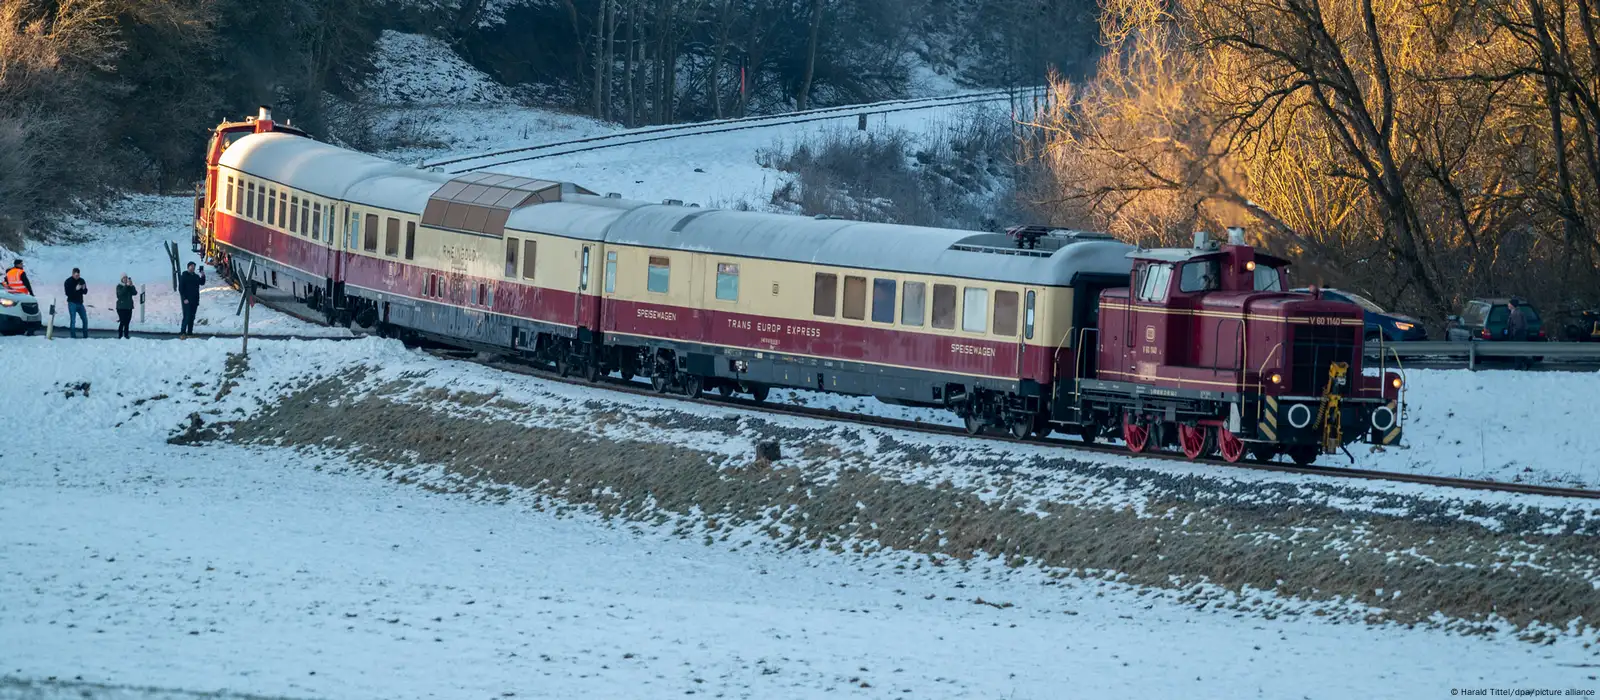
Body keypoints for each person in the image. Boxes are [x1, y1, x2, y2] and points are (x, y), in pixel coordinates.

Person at [178, 262, 205, 337]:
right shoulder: (184, 276)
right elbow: (181, 288)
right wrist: (184, 298)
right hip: (187, 300)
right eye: (191, 266)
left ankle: (190, 332)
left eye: (194, 266)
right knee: (187, 315)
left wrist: (202, 275)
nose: (193, 268)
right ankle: (182, 331)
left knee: (192, 316)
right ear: (188, 267)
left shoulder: (196, 276)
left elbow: (202, 282)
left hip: (195, 299)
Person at [63, 268, 88, 338]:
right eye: (76, 275)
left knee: (85, 320)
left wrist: (84, 288)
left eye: (78, 275)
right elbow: (67, 293)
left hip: (80, 303)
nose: (77, 277)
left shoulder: (81, 280)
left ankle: (85, 336)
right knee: (73, 320)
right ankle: (73, 337)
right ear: (73, 274)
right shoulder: (68, 281)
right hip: (72, 303)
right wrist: (75, 289)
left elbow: (85, 292)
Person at [115, 274, 136, 339]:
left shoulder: (129, 286)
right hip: (121, 307)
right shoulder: (119, 286)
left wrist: (132, 285)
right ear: (121, 279)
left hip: (129, 307)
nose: (125, 279)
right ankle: (120, 335)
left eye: (126, 278)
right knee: (122, 321)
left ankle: (126, 335)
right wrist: (126, 286)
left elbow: (135, 293)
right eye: (124, 278)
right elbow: (120, 294)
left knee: (127, 322)